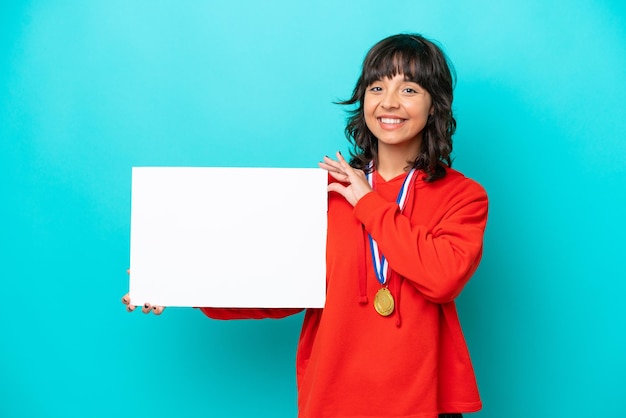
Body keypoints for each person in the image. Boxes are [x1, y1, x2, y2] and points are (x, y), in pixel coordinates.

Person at [123, 33, 488, 418]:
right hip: (334, 398)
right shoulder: (325, 195)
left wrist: (367, 201)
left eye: (409, 88)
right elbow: (280, 288)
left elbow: (442, 277)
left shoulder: (463, 196)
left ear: (435, 106)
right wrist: (177, 283)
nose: (389, 102)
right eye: (377, 87)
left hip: (424, 403)